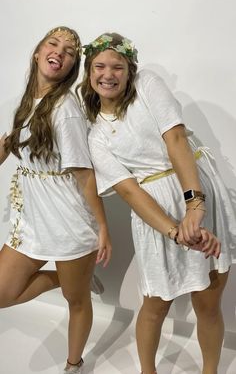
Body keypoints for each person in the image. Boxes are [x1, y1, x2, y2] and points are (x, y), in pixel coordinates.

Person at [78, 32, 235, 374]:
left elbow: (175, 138)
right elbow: (131, 192)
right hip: (155, 214)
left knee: (208, 301)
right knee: (155, 304)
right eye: (99, 67)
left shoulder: (148, 84)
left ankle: (211, 371)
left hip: (194, 185)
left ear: (129, 69)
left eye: (117, 66)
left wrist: (195, 204)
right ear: (89, 74)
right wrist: (177, 232)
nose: (108, 74)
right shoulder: (97, 136)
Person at [0, 26, 112, 374]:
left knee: (76, 302)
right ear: (38, 52)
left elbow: (83, 173)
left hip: (68, 218)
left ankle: (74, 364)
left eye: (69, 51)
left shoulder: (66, 109)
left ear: (71, 66)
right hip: (33, 216)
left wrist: (103, 227)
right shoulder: (29, 101)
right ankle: (72, 277)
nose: (60, 52)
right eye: (54, 44)